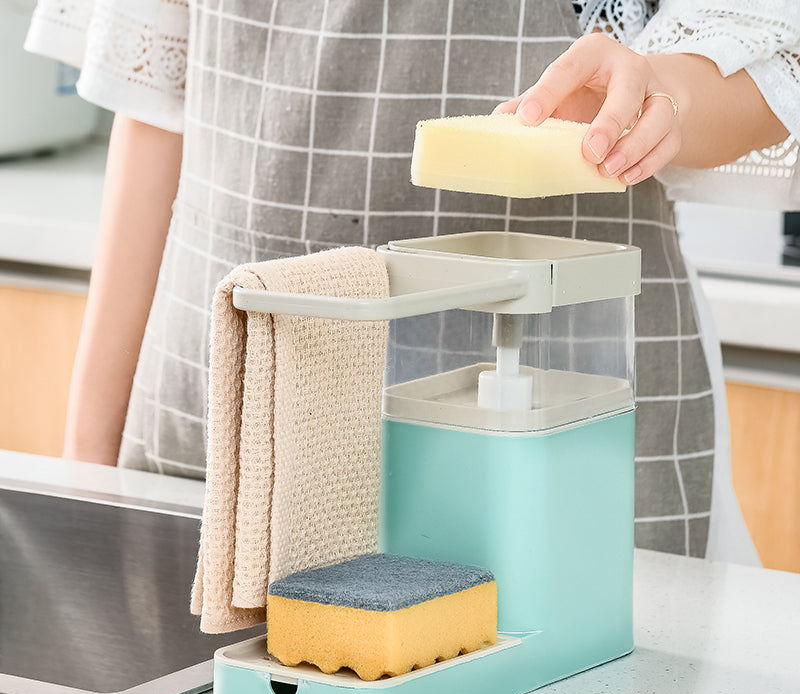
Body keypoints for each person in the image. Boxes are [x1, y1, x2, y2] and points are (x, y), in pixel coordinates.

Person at [24, 0, 799, 564]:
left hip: (553, 429)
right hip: (218, 420)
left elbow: (771, 58)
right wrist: (84, 478)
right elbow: (153, 106)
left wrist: (662, 91)